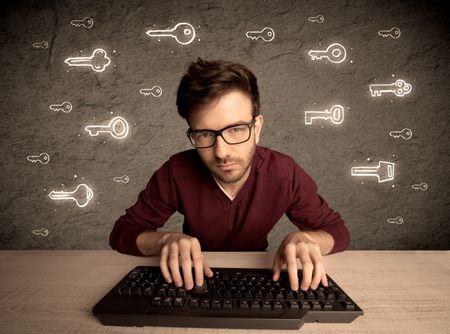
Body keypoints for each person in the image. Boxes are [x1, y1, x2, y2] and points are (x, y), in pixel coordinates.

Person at [110, 58, 350, 292]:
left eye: (236, 130)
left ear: (256, 128)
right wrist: (164, 241)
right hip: (190, 280)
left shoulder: (285, 173)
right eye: (204, 134)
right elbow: (122, 232)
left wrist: (310, 239)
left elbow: (336, 230)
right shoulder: (176, 172)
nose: (221, 153)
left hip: (260, 280)